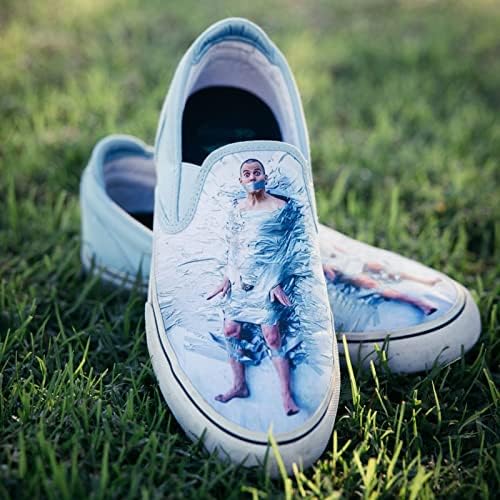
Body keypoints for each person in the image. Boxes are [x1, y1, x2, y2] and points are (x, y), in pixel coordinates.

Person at [207, 158, 300, 416]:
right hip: (240, 281)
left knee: (272, 336)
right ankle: (239, 385)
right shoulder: (237, 209)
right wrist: (227, 278)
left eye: (257, 172)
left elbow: (289, 248)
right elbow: (233, 246)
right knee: (230, 329)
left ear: (265, 177)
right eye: (247, 174)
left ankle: (286, 396)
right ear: (241, 181)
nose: (252, 177)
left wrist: (275, 282)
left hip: (267, 281)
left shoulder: (280, 208)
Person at [322, 246, 440, 315]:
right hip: (348, 272)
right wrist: (329, 268)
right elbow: (332, 276)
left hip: (351, 263)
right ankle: (419, 302)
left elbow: (339, 252)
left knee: (384, 270)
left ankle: (424, 281)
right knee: (374, 285)